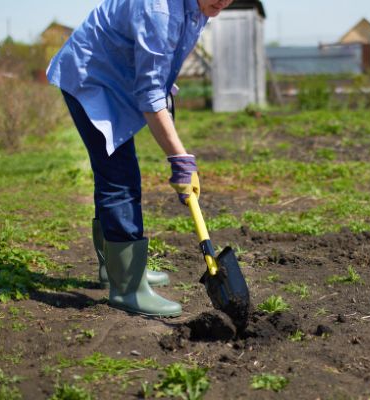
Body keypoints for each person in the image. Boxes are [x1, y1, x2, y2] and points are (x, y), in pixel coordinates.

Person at [47, 0, 234, 318]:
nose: (223, 1)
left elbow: (158, 68)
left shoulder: (200, 8)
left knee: (115, 171)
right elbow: (148, 94)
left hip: (116, 80)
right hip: (90, 78)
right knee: (119, 177)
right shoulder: (159, 9)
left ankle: (116, 270)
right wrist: (180, 158)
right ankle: (127, 288)